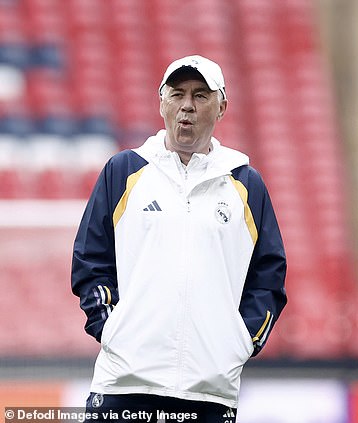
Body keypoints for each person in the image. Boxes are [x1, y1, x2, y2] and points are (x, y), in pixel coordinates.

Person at [71, 55, 287, 422]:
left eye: (201, 95)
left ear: (222, 107)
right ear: (161, 102)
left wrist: (238, 344)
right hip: (123, 385)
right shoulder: (124, 170)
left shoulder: (246, 185)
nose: (187, 105)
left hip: (209, 393)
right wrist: (112, 329)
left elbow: (269, 275)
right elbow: (90, 261)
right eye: (177, 94)